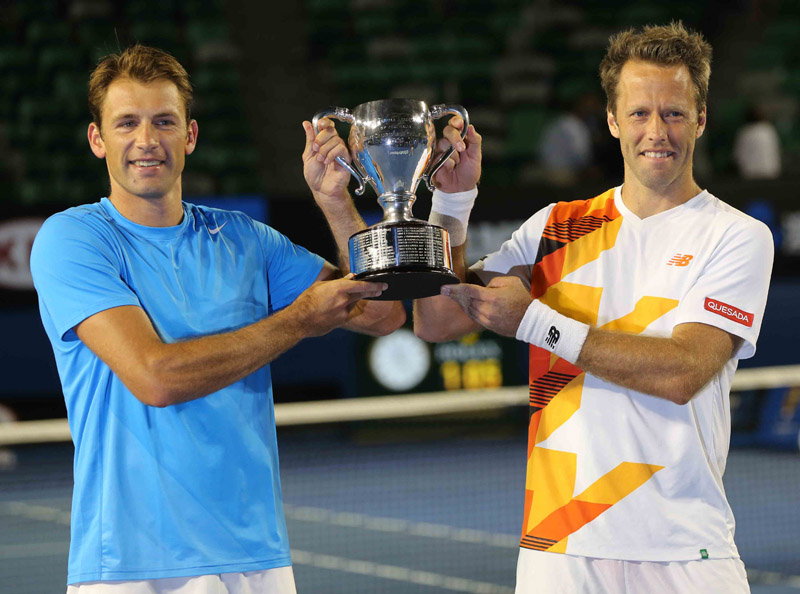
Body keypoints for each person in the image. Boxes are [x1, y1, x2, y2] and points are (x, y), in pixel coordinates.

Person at [30, 44, 405, 593]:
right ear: (97, 139)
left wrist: (334, 202)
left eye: (164, 122)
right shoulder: (74, 239)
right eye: (127, 123)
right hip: (136, 565)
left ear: (190, 136)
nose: (146, 140)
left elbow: (383, 313)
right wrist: (298, 320)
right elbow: (156, 378)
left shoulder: (245, 238)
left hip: (257, 558)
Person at [413, 22, 773, 593]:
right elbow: (436, 320)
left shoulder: (737, 236)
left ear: (701, 119)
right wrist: (452, 203)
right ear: (611, 120)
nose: (657, 131)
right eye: (639, 113)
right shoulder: (556, 226)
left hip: (685, 550)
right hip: (559, 549)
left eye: (674, 113)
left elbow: (682, 372)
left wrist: (533, 321)